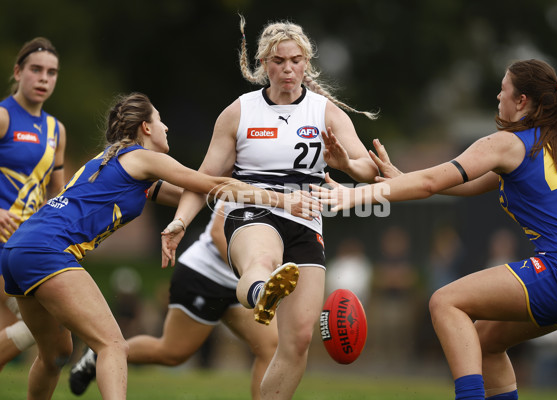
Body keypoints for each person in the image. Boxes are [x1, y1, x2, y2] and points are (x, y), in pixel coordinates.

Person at [311, 59, 557, 400]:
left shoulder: (507, 142)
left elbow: (433, 182)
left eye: (504, 89)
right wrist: (404, 180)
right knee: (485, 342)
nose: (498, 96)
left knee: (445, 301)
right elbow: (471, 182)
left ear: (521, 101)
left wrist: (355, 194)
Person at [1, 92, 318, 400]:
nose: (167, 127)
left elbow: (196, 197)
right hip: (47, 250)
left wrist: (247, 205)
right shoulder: (143, 158)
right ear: (146, 128)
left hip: (17, 249)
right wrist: (281, 199)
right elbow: (210, 183)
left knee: (56, 354)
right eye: (160, 120)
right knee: (113, 345)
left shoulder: (119, 163)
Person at [161, 16, 378, 400]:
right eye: (278, 61)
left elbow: (368, 168)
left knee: (297, 342)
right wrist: (180, 221)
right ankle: (263, 292)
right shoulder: (240, 112)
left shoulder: (325, 113)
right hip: (253, 207)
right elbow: (203, 178)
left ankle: (266, 295)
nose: (288, 68)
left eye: (296, 60)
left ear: (306, 63)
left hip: (306, 217)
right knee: (261, 259)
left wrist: (344, 163)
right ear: (264, 64)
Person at [68, 201, 278, 400]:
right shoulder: (250, 178)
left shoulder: (296, 189)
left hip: (243, 283)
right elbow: (217, 233)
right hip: (205, 274)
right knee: (172, 352)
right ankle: (101, 355)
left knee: (270, 346)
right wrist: (251, 272)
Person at [0, 37, 67, 372]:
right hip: (2, 245)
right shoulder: (2, 117)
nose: (44, 78)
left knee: (57, 349)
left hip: (29, 245)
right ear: (18, 71)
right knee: (42, 328)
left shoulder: (57, 130)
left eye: (51, 72)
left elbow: (58, 196)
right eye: (36, 70)